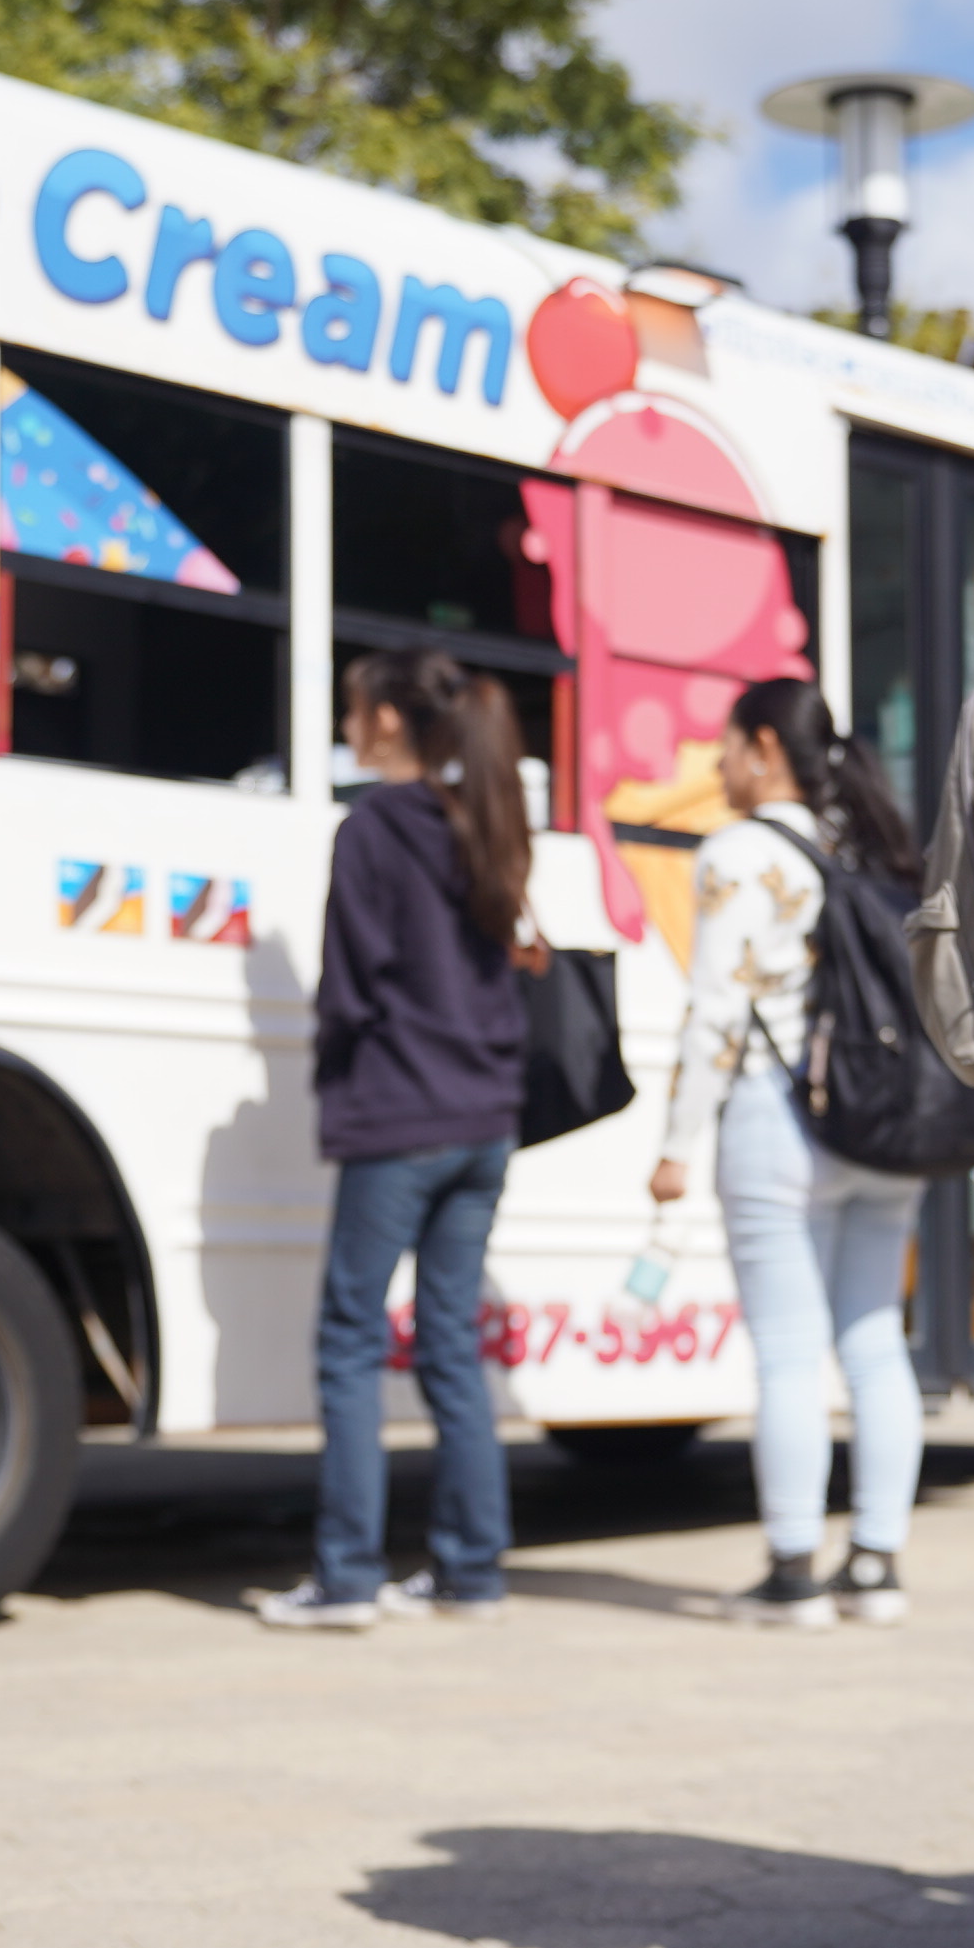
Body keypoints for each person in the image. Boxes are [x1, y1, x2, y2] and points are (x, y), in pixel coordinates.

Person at [646, 678, 930, 1628]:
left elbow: (717, 1011)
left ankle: (793, 1573)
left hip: (779, 1121)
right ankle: (877, 1566)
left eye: (725, 745)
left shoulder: (739, 853)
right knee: (874, 1341)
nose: (717, 763)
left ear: (764, 747)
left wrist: (678, 1143)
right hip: (882, 1128)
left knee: (786, 1354)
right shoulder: (864, 848)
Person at [262, 649, 535, 1631]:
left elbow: (352, 982)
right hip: (484, 1120)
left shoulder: (373, 827)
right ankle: (471, 1568)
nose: (348, 720)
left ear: (386, 720)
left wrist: (331, 1073)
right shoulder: (482, 822)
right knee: (451, 1344)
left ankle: (345, 1574)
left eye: (352, 706)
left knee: (348, 1337)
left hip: (401, 1116)